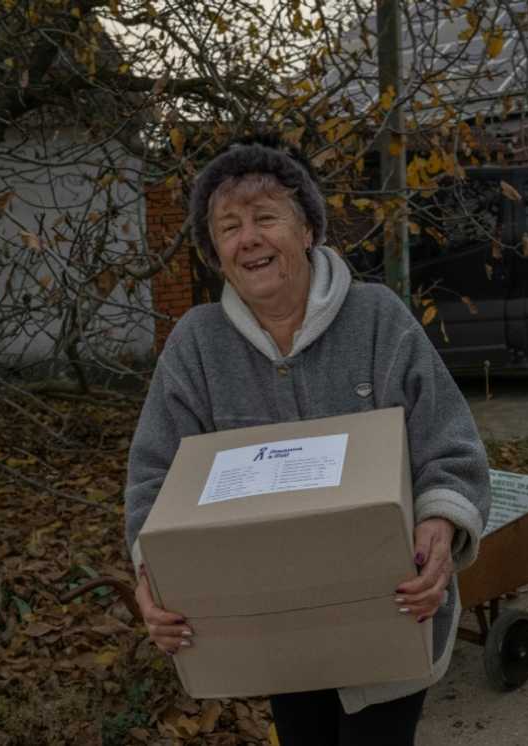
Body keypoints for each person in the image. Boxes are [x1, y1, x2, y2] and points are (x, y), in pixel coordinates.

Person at [124, 135, 490, 746]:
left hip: (390, 611)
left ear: (308, 231)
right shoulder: (197, 345)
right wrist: (151, 577)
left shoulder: (377, 319)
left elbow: (450, 443)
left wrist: (442, 523)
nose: (250, 239)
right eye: (230, 227)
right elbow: (153, 479)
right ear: (216, 253)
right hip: (274, 628)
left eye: (266, 218)